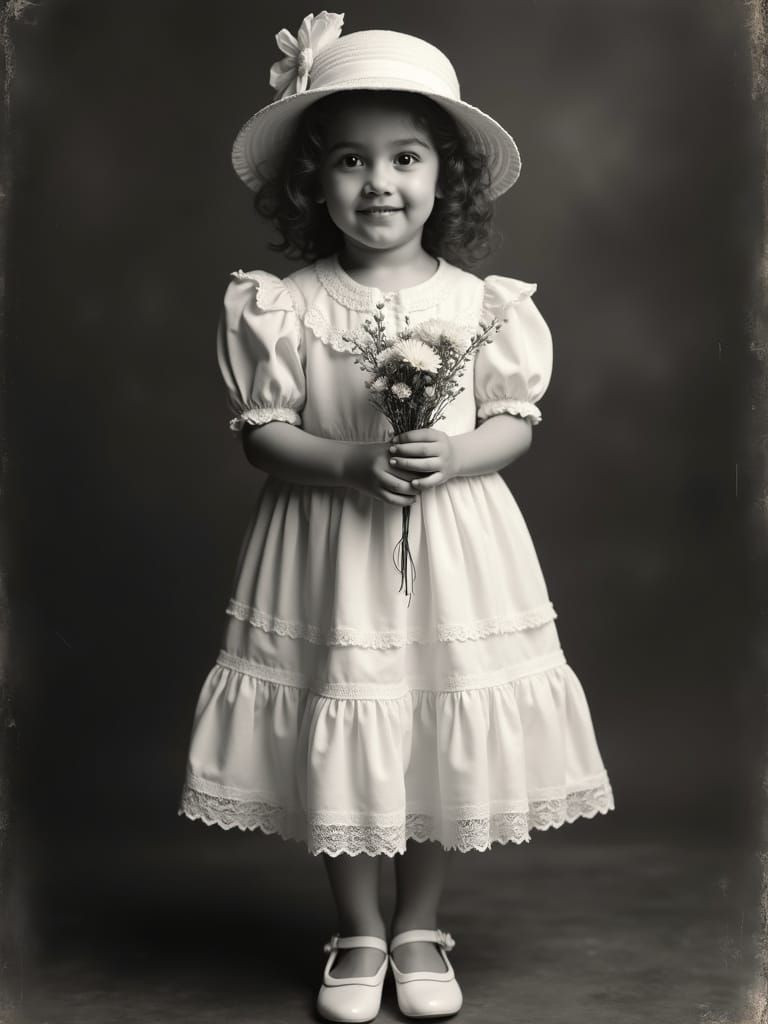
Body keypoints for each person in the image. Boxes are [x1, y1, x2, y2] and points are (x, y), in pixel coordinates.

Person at [177, 12, 615, 1022]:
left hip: (454, 544)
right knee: (351, 713)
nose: (380, 183)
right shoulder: (280, 303)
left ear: (442, 176)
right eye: (350, 161)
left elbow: (515, 420)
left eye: (406, 158)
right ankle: (357, 928)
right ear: (312, 183)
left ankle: (419, 921)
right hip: (331, 542)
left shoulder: (483, 305)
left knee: (427, 718)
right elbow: (262, 432)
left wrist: (454, 452)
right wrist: (348, 459)